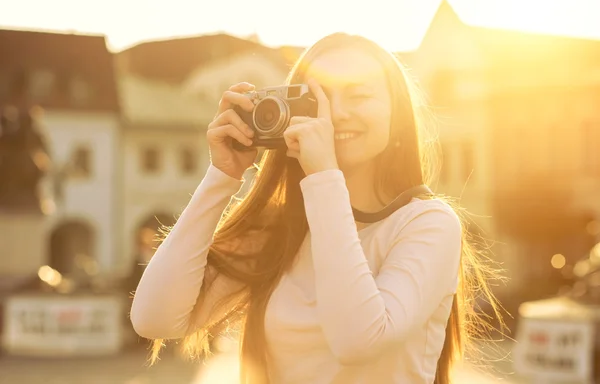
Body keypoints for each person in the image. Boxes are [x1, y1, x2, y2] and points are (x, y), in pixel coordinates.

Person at [130, 33, 503, 384]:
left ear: (398, 117)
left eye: (358, 96)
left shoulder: (427, 223)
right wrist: (221, 178)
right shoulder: (278, 230)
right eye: (319, 98)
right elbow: (154, 318)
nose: (336, 113)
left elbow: (357, 340)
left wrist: (325, 176)